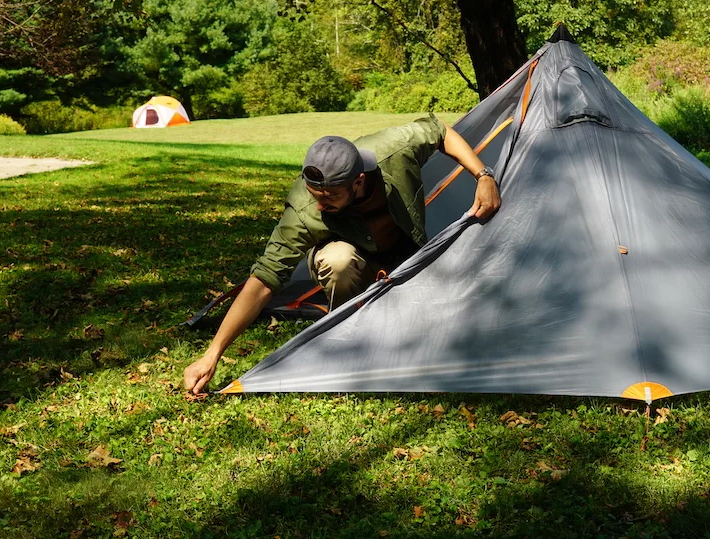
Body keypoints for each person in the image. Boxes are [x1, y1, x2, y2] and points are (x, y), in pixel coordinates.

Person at [183, 115, 501, 394]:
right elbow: (264, 280)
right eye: (315, 196)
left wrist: (483, 175)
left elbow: (440, 130)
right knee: (337, 261)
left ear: (358, 181)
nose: (321, 206)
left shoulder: (393, 151)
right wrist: (212, 355)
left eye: (331, 196)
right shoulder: (306, 209)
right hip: (356, 269)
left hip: (410, 260)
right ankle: (351, 340)